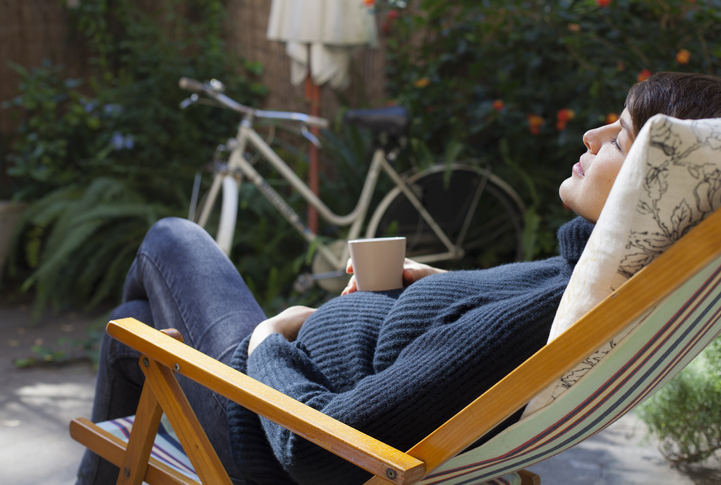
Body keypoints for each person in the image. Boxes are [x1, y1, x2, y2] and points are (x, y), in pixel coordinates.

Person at [76, 72, 721, 485]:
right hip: (291, 401)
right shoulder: (589, 284)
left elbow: (322, 451)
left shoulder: (538, 322)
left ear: (645, 189)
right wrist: (431, 291)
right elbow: (480, 333)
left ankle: (143, 384)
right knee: (131, 336)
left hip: (259, 430)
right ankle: (139, 372)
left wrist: (270, 339)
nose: (590, 135)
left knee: (171, 240)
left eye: (618, 137)